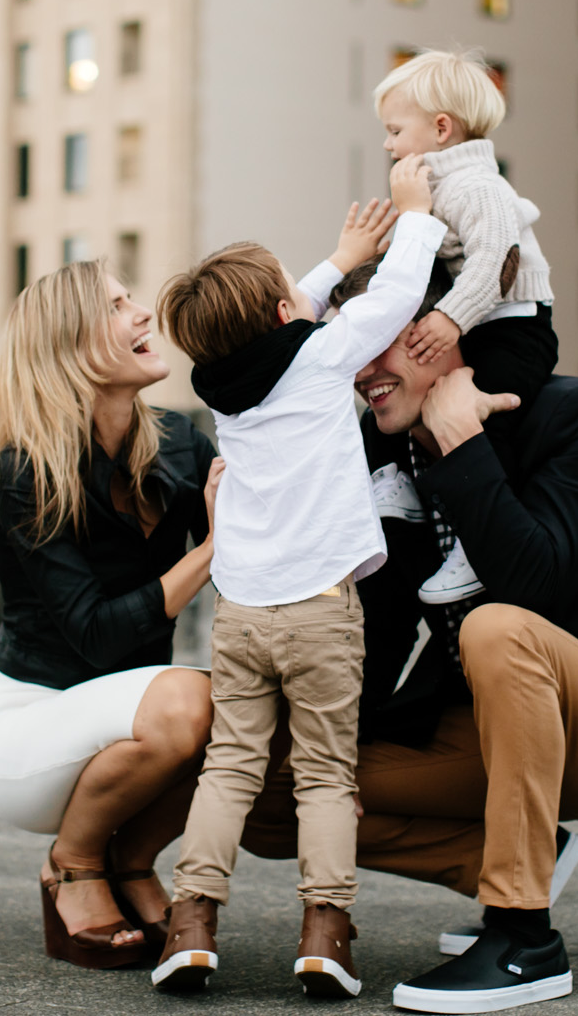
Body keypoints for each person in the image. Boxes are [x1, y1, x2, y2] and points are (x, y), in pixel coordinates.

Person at [241, 262, 578, 1015]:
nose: (361, 369)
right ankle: (516, 856)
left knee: (496, 627)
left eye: (380, 342)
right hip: (477, 729)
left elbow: (534, 584)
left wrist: (461, 440)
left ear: (443, 333)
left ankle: (524, 938)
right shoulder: (383, 447)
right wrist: (332, 756)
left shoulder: (571, 416)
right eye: (351, 345)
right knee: (272, 784)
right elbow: (380, 625)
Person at [145, 159, 443, 999]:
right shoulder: (318, 359)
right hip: (319, 609)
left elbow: (273, 320)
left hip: (239, 612)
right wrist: (412, 216)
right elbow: (393, 297)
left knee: (231, 766)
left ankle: (192, 920)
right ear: (286, 314)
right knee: (322, 774)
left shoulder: (225, 390)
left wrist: (332, 259)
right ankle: (325, 931)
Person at [0, 260, 224, 970]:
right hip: (27, 732)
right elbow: (97, 631)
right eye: (117, 305)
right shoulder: (26, 467)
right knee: (187, 698)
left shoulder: (179, 443)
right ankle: (74, 863)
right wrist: (213, 548)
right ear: (71, 347)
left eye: (132, 297)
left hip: (131, 725)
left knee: (254, 704)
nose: (143, 312)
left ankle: (133, 861)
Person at [373, 48, 559, 608]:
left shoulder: (477, 185)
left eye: (394, 130)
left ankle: (474, 545)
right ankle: (396, 482)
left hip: (514, 326)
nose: (388, 144)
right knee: (392, 395)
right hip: (477, 323)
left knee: (482, 415)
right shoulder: (433, 190)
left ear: (440, 129)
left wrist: (452, 317)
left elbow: (497, 257)